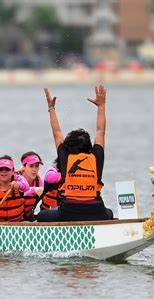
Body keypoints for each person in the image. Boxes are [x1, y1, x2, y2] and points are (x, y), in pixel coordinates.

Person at [37, 85, 113, 222]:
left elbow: (57, 133)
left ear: (68, 145)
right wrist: (101, 106)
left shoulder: (65, 157)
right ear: (89, 146)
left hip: (68, 213)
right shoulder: (95, 157)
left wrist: (51, 108)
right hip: (96, 211)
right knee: (110, 213)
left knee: (42, 216)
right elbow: (100, 131)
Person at [18, 152, 61, 221]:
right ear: (23, 167)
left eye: (37, 166)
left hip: (29, 218)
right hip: (15, 220)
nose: (34, 169)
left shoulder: (39, 181)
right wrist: (34, 190)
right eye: (31, 166)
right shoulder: (16, 178)